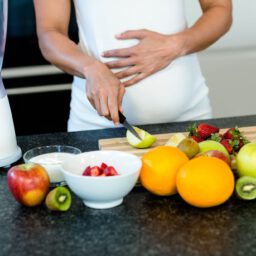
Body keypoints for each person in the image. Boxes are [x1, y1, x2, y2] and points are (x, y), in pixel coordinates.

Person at [33, 0, 232, 131]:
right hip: (94, 125)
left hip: (189, 117)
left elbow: (220, 9)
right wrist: (89, 67)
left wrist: (175, 45)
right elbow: (50, 32)